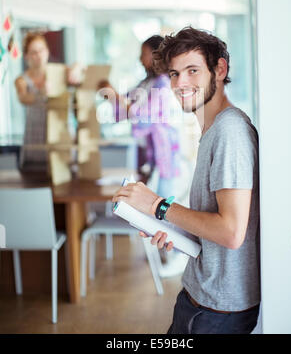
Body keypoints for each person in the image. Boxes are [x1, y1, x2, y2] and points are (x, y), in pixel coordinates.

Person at [112, 27, 261, 334]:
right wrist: (171, 229)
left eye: (192, 70)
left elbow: (232, 232)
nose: (180, 83)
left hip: (217, 310)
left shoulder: (230, 132)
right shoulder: (213, 129)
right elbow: (214, 224)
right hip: (201, 297)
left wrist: (158, 206)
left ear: (219, 69)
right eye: (174, 73)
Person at [99, 35, 180, 199]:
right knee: (148, 198)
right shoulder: (146, 83)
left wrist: (115, 95)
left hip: (163, 149)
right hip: (148, 151)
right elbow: (124, 107)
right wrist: (109, 94)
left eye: (144, 53)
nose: (140, 58)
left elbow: (142, 116)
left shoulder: (163, 83)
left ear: (156, 55)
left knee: (163, 201)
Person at [15, 31, 82, 171]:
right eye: (33, 52)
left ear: (47, 51)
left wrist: (76, 68)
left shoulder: (61, 71)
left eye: (41, 50)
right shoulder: (21, 80)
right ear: (26, 56)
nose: (39, 55)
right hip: (35, 141)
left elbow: (81, 67)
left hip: (60, 139)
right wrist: (40, 93)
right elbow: (23, 98)